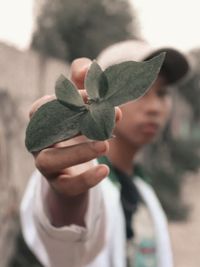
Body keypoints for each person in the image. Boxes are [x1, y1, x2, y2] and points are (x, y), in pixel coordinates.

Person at [9, 40, 189, 267]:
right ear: (97, 95)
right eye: (140, 92)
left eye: (162, 93)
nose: (155, 107)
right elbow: (68, 243)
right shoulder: (80, 174)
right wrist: (69, 199)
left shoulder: (142, 189)